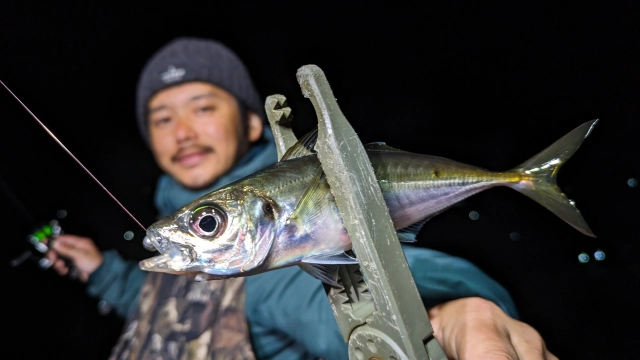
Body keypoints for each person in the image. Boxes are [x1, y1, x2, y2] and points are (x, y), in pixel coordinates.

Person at [46, 37, 557, 359]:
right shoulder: (195, 238)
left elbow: (320, 303)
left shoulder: (254, 253)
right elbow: (155, 305)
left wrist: (450, 312)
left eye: (202, 108)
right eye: (162, 118)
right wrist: (101, 272)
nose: (182, 131)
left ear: (251, 122)